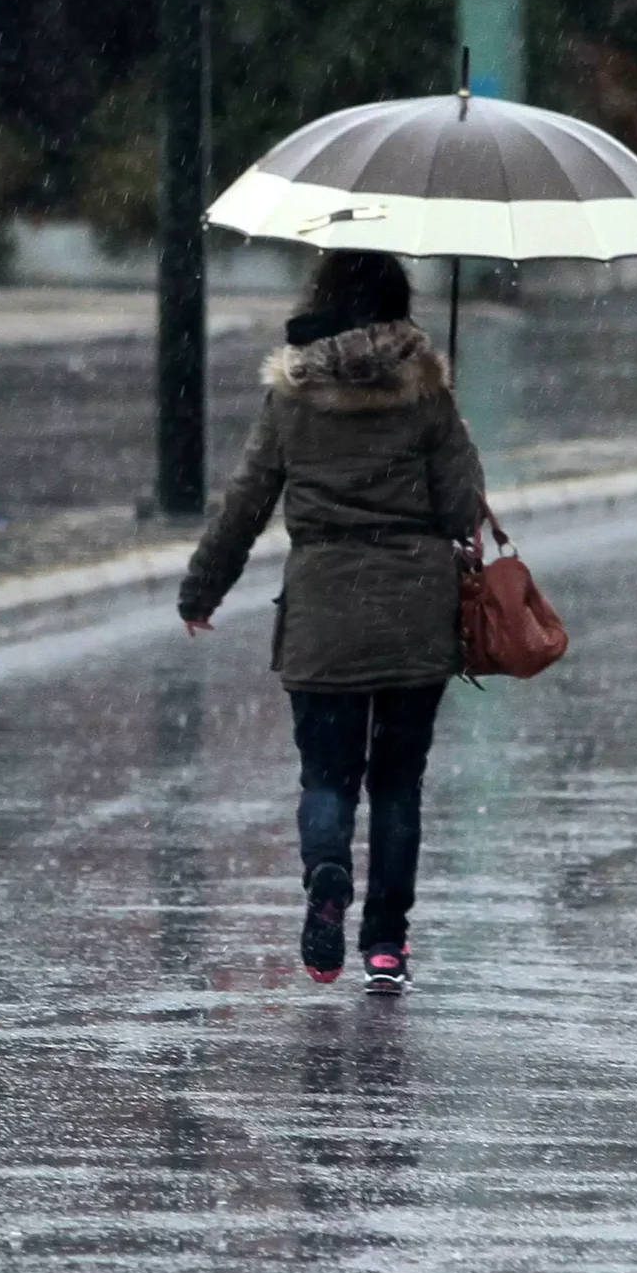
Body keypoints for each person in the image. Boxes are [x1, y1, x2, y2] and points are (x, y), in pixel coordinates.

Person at [178, 249, 487, 994]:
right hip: (416, 610)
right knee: (398, 783)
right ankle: (386, 945)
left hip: (323, 610)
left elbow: (245, 502)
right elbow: (459, 508)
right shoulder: (427, 391)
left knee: (327, 777)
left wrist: (202, 589)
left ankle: (326, 871)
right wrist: (451, 420)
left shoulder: (293, 392)